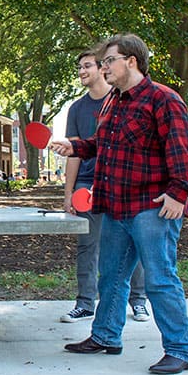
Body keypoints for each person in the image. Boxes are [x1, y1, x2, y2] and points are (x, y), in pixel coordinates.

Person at [51, 33, 188, 375]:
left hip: (153, 208)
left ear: (131, 61)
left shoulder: (164, 99)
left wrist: (179, 193)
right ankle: (105, 336)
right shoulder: (112, 102)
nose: (103, 68)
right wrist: (75, 147)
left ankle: (180, 350)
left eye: (108, 61)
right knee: (112, 277)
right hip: (116, 206)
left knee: (160, 280)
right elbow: (101, 144)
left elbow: (182, 151)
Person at [61, 49, 149, 324]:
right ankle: (85, 303)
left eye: (87, 66)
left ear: (103, 68)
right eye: (79, 68)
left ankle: (139, 301)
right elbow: (75, 151)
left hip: (120, 182)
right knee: (87, 246)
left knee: (130, 243)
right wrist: (68, 196)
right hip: (87, 184)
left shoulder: (120, 101)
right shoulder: (76, 109)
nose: (81, 72)